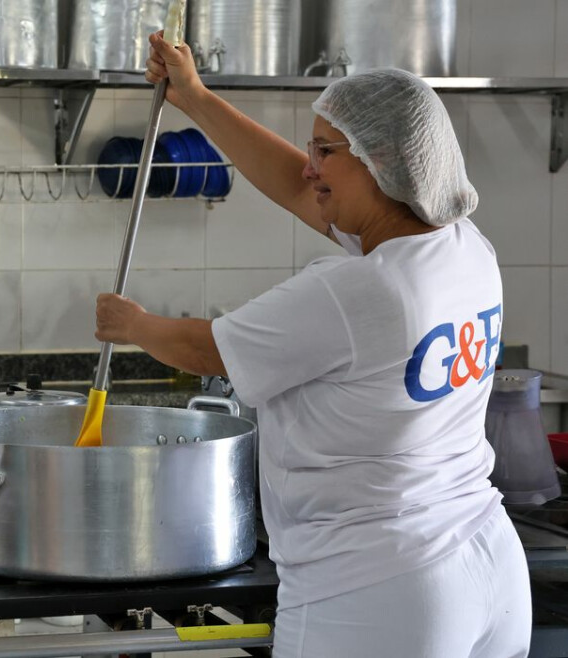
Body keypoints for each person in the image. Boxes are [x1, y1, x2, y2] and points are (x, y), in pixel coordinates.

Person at [93, 32, 531, 657]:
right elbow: (303, 192)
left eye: (325, 150)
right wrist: (195, 98)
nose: (309, 167)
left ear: (380, 159)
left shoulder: (357, 291)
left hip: (380, 589)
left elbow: (208, 351)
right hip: (487, 562)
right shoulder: (461, 247)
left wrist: (131, 324)